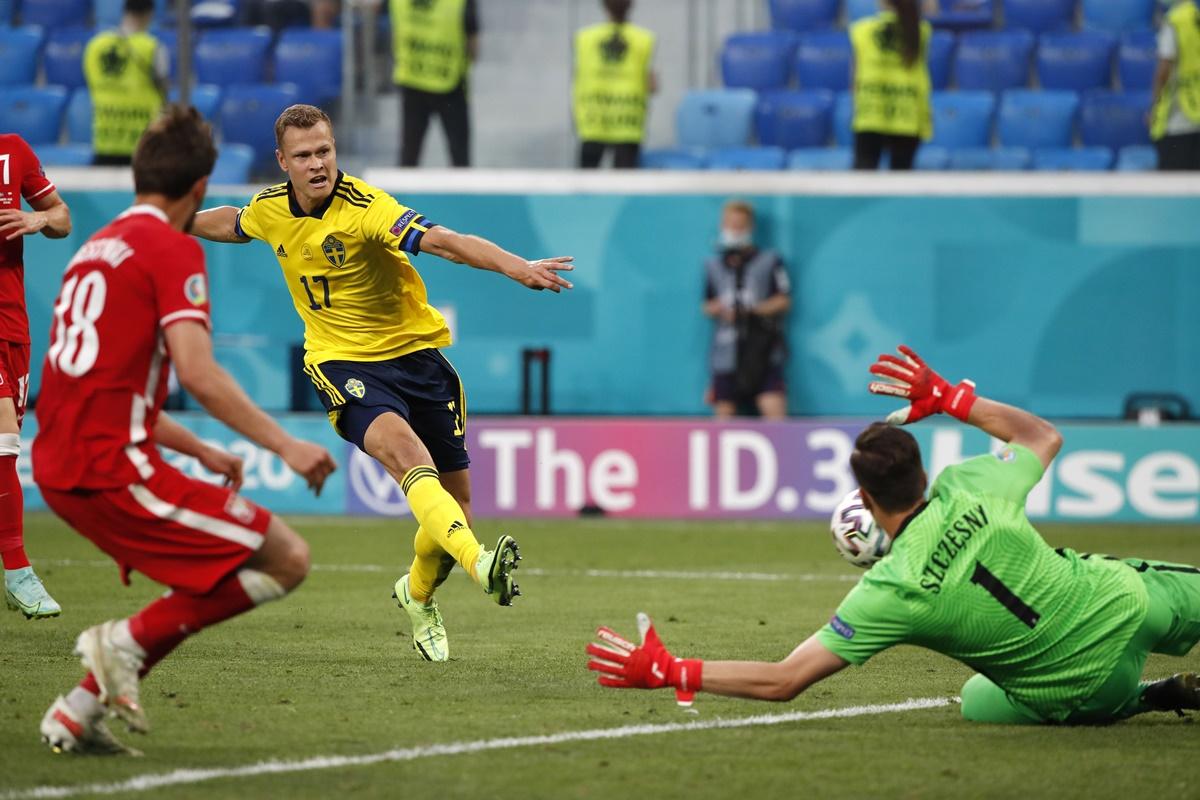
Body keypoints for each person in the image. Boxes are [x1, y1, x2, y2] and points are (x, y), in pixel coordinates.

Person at [588, 345, 1200, 725]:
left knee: (978, 701)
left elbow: (783, 680)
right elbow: (1042, 436)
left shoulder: (891, 588)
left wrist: (676, 671)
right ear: (926, 473)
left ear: (867, 501)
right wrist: (953, 399)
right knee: (1123, 579)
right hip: (1127, 604)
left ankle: (1151, 695)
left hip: (1083, 689)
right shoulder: (972, 484)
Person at [189, 104, 573, 663]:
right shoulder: (271, 208)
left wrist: (514, 265)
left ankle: (416, 594)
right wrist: (168, 217)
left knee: (453, 506)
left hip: (419, 360)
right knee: (405, 453)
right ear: (283, 162)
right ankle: (480, 564)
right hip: (343, 362)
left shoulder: (368, 208)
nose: (318, 163)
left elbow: (443, 240)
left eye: (324, 150)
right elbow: (234, 222)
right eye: (304, 156)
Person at [34, 106, 337, 755]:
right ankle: (121, 644)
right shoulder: (172, 249)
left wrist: (201, 449)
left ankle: (77, 711)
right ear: (201, 188)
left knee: (205, 574)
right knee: (287, 558)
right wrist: (285, 443)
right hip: (110, 469)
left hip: (65, 464)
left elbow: (104, 386)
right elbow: (198, 373)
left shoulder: (96, 248)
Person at [0, 134, 72, 620]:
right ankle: (17, 568)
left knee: (6, 448)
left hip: (13, 326)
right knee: (2, 441)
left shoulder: (14, 150)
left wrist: (37, 218)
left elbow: (63, 219)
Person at [702, 200, 790, 420]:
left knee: (773, 408)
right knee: (724, 413)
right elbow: (706, 303)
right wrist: (718, 309)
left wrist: (750, 311)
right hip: (726, 351)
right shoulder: (713, 265)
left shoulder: (769, 261)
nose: (734, 230)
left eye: (740, 225)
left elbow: (783, 299)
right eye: (730, 225)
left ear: (750, 227)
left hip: (761, 348)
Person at [390, 0, 479, 167]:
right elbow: (474, 47)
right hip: (450, 82)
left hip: (412, 79)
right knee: (460, 160)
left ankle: (401, 194)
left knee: (408, 158)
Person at [572, 0, 657, 170]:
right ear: (631, 6)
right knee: (625, 190)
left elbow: (576, 76)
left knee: (585, 189)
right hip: (628, 123)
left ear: (604, 6)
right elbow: (652, 85)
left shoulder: (584, 38)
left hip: (592, 121)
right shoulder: (644, 39)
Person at [83, 0, 169, 167]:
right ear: (149, 15)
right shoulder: (153, 47)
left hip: (104, 143)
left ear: (124, 11)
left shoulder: (95, 46)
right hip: (142, 147)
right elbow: (163, 88)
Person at [849, 0, 933, 171]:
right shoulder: (920, 31)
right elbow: (931, 9)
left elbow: (854, 79)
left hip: (870, 115)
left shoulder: (861, 30)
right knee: (901, 187)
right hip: (907, 116)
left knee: (861, 187)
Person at [1150, 0, 1200, 170]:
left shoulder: (1175, 21)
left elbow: (1164, 70)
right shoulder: (1195, 16)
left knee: (1174, 187)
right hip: (1196, 112)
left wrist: (1154, 109)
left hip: (1178, 119)